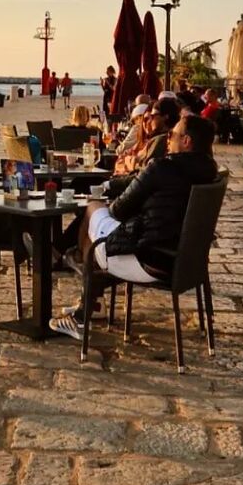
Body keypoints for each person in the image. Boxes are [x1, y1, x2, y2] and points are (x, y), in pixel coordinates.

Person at [50, 113, 219, 342]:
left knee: (93, 209)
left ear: (186, 141)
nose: (168, 138)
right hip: (184, 263)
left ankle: (81, 311)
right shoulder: (210, 173)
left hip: (148, 260)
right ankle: (90, 296)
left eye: (172, 134)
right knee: (97, 232)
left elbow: (118, 210)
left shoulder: (162, 168)